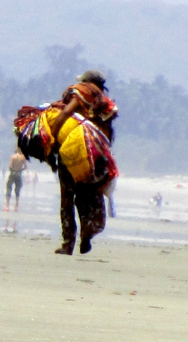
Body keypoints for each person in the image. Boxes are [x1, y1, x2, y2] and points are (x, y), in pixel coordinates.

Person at [14, 69, 118, 255]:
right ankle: (87, 235)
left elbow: (67, 112)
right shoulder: (103, 101)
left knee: (67, 198)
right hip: (95, 154)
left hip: (74, 149)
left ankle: (68, 243)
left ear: (86, 81)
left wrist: (51, 136)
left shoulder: (81, 91)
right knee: (89, 195)